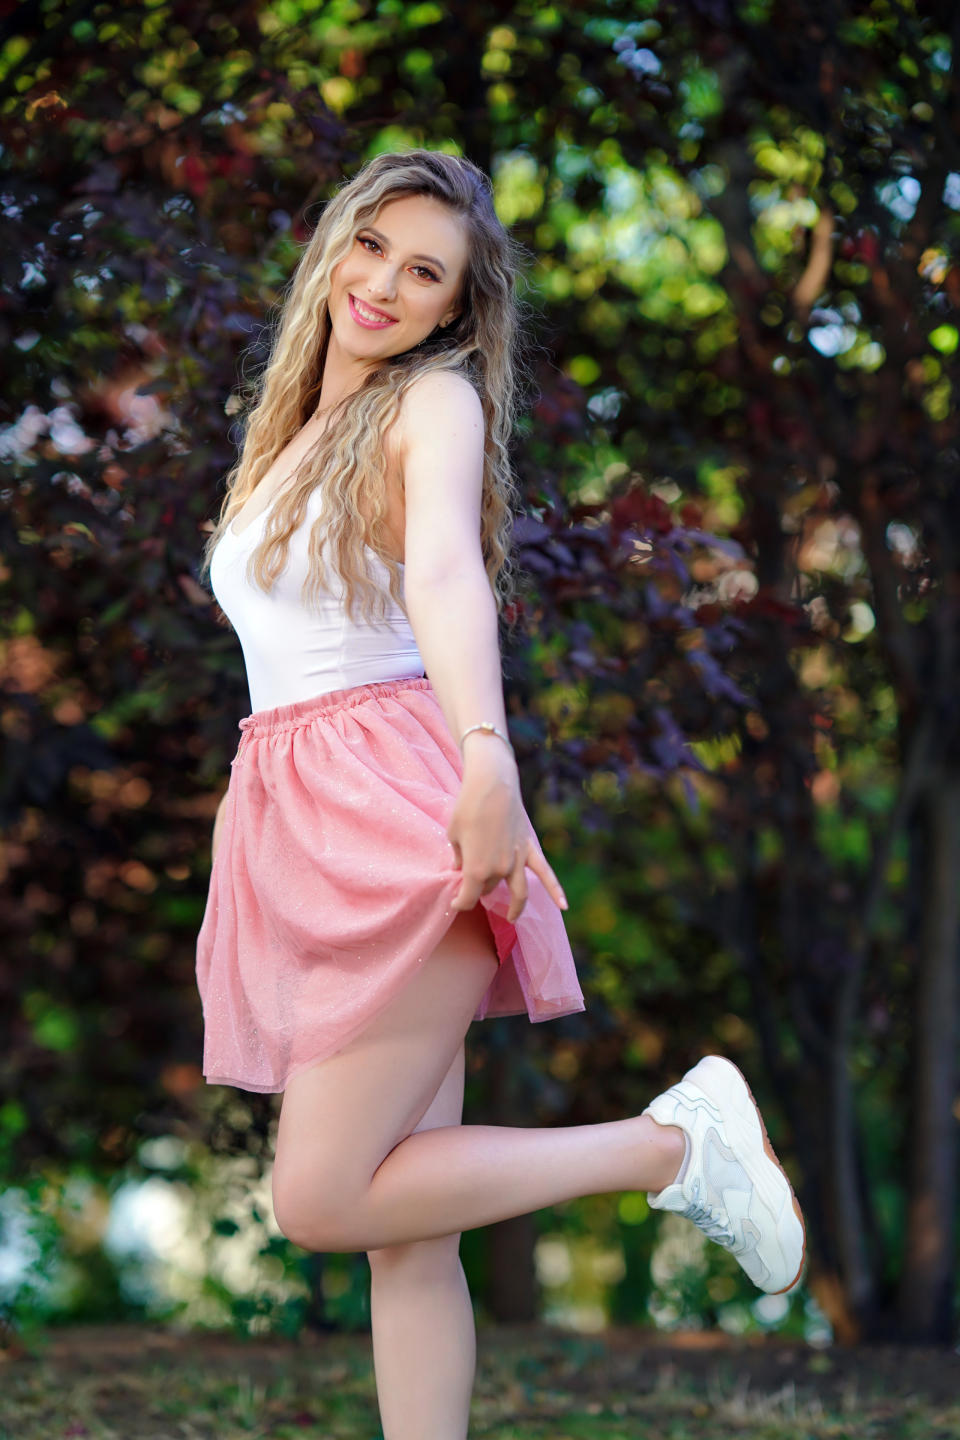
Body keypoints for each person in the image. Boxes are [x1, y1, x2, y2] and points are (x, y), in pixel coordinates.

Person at [195, 149, 806, 1440]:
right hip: (308, 817)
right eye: (373, 246)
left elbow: (444, 576)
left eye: (424, 273)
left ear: (454, 310)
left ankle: (673, 1147)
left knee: (319, 1197)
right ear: (335, 244)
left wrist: (488, 756)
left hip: (391, 810)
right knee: (408, 1240)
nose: (383, 284)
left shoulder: (433, 402)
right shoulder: (291, 431)